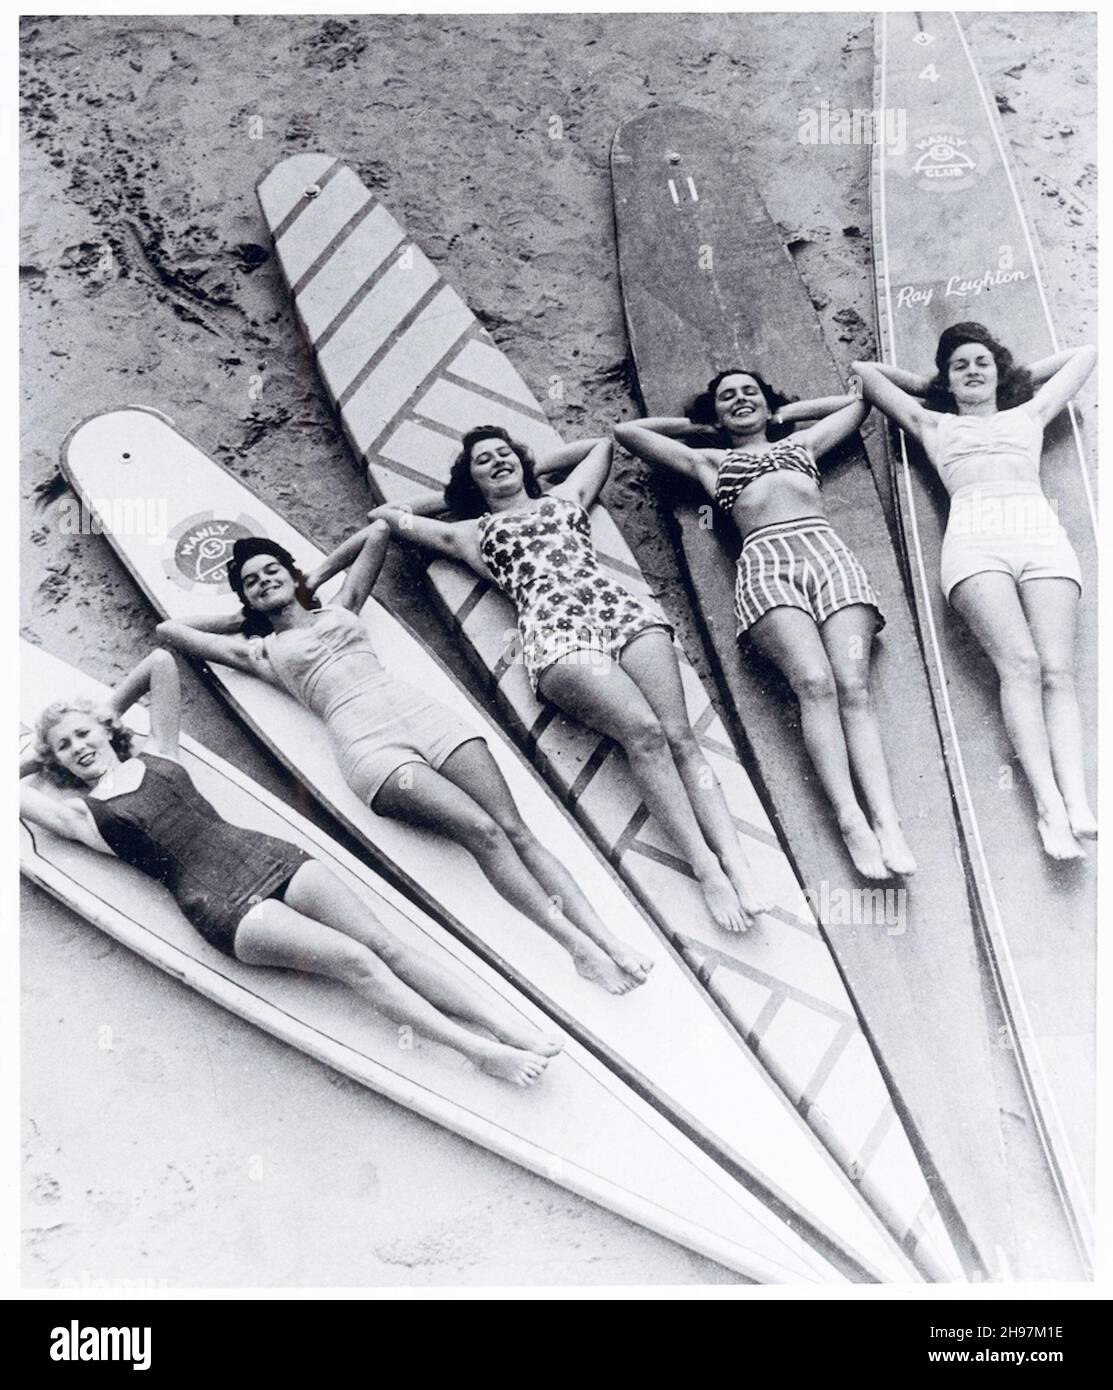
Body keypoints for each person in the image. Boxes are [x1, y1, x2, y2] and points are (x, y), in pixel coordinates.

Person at [20, 649, 561, 1085]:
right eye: (64, 748)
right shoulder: (77, 815)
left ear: (105, 728)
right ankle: (478, 1052)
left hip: (269, 854)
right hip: (220, 906)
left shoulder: (161, 752)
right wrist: (36, 757)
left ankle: (504, 1026)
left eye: (83, 734)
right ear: (57, 762)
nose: (78, 747)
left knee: (386, 944)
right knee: (356, 962)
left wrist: (96, 715)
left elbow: (161, 662)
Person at [157, 529, 652, 993]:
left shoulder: (343, 607)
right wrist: (243, 616)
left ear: (291, 571)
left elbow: (376, 534)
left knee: (516, 830)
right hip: (371, 747)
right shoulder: (259, 651)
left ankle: (607, 939)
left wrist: (309, 580)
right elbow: (171, 630)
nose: (264, 581)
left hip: (425, 717)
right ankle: (577, 948)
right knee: (482, 833)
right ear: (246, 599)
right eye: (251, 583)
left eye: (271, 571)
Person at [368, 428, 771, 934]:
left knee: (680, 736)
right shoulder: (469, 531)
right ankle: (706, 869)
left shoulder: (566, 496)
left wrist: (533, 467)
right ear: (470, 482)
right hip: (558, 633)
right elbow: (386, 517)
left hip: (619, 612)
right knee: (642, 734)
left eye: (504, 453)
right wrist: (454, 500)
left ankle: (738, 862)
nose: (497, 462)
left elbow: (601, 445)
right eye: (482, 462)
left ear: (522, 459)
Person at [615, 372, 914, 881]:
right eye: (727, 397)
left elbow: (859, 405)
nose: (740, 400)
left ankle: (889, 824)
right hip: (766, 563)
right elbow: (630, 432)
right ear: (716, 412)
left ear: (767, 401)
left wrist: (782, 415)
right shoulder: (709, 461)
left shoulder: (800, 443)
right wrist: (701, 423)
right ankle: (850, 819)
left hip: (828, 556)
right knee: (814, 684)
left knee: (854, 687)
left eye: (749, 392)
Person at [854, 324, 1097, 860]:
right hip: (975, 541)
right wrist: (930, 383)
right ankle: (1048, 807)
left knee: (1058, 670)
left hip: (1039, 533)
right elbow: (867, 375)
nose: (971, 371)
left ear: (998, 370)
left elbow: (1086, 355)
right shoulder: (932, 422)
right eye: (959, 365)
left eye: (981, 362)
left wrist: (1013, 375)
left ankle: (1077, 798)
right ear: (946, 377)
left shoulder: (1028, 414)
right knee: (1022, 666)